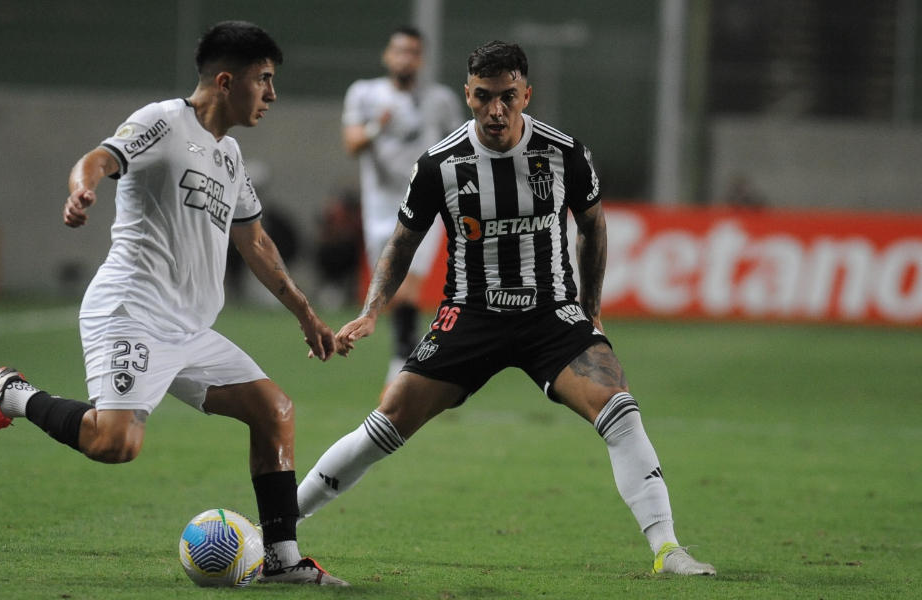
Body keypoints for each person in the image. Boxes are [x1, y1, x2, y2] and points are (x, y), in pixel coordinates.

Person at [297, 40, 717, 577]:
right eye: (484, 97)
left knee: (617, 404)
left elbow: (592, 227)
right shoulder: (441, 164)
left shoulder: (564, 152)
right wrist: (372, 310)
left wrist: (590, 309)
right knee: (390, 415)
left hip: (551, 314)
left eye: (508, 97)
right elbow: (402, 244)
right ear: (468, 95)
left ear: (526, 94)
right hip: (470, 313)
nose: (496, 111)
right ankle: (279, 529)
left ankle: (668, 548)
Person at [0, 21, 347, 587]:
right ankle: (12, 394)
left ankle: (282, 560)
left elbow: (256, 243)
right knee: (115, 445)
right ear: (225, 80)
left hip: (190, 331)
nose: (272, 94)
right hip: (132, 313)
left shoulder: (231, 156)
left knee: (275, 412)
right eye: (263, 80)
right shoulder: (162, 122)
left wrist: (306, 314)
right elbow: (98, 158)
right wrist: (81, 188)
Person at [342, 26, 464, 387]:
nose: (405, 58)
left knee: (409, 284)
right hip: (379, 206)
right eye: (399, 51)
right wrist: (378, 127)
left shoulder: (439, 99)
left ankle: (401, 363)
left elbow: (460, 144)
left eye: (413, 52)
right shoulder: (365, 93)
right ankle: (405, 355)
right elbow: (352, 145)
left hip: (424, 202)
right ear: (387, 55)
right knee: (389, 288)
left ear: (421, 59)